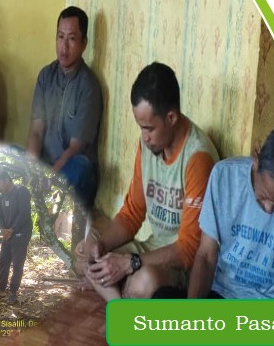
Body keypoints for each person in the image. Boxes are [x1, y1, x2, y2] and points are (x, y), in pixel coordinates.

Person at [77, 62, 218, 301]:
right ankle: (123, 303)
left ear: (171, 117)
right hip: (150, 250)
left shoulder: (198, 158)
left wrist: (129, 264)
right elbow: (132, 213)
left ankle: (119, 298)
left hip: (181, 265)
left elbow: (188, 250)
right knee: (87, 260)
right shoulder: (148, 146)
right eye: (141, 128)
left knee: (144, 282)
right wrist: (103, 245)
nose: (144, 137)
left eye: (149, 128)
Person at [184, 127, 274, 299]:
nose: (269, 209)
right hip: (221, 294)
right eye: (264, 196)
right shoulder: (224, 176)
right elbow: (206, 256)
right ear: (256, 159)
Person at [27, 6, 103, 207]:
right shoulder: (46, 76)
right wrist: (31, 168)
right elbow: (36, 131)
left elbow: (76, 147)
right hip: (46, 165)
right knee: (9, 155)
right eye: (60, 37)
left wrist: (51, 177)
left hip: (71, 168)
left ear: (84, 43)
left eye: (71, 39)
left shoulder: (88, 86)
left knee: (81, 169)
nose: (64, 46)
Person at [0, 170, 31, 304]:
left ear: (7, 180)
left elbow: (24, 214)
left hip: (21, 233)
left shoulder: (21, 191)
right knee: (3, 261)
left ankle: (13, 292)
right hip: (7, 234)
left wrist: (12, 229)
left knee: (17, 263)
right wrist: (3, 229)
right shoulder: (1, 197)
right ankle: (1, 289)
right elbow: (0, 216)